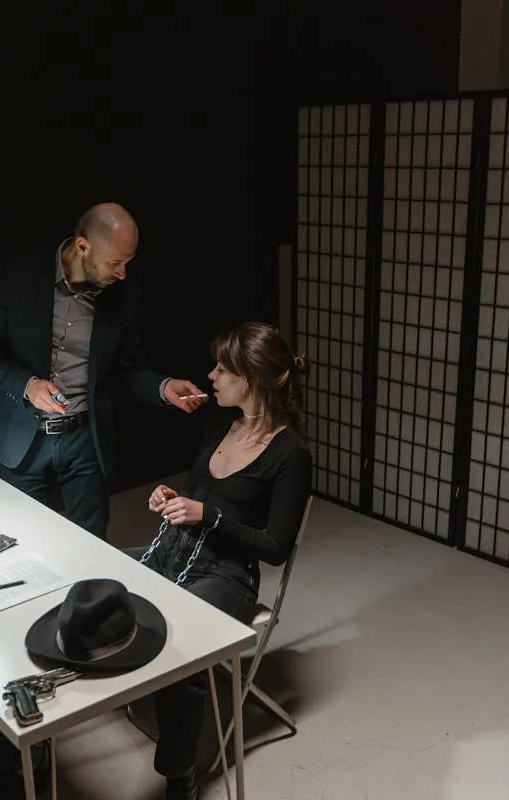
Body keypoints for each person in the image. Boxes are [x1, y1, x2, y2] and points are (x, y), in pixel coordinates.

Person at [130, 322, 312, 800]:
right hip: (177, 550)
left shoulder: (291, 454)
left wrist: (206, 516)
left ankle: (179, 775)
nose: (211, 375)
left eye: (222, 369)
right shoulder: (218, 424)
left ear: (251, 379)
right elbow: (197, 493)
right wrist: (171, 498)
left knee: (184, 650)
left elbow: (274, 547)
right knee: (107, 590)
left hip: (228, 574)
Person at [0, 202, 207, 539]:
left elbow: (129, 368)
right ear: (83, 245)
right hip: (21, 433)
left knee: (92, 542)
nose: (122, 273)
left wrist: (162, 387)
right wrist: (28, 385)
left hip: (84, 437)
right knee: (19, 541)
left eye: (127, 263)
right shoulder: (20, 276)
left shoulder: (123, 292)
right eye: (115, 263)